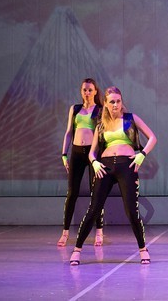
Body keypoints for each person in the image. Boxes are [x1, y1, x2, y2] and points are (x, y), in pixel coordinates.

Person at [69, 86, 157, 265]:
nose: (116, 105)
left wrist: (142, 154)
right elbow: (92, 152)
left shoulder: (131, 118)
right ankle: (77, 250)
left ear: (121, 102)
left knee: (131, 210)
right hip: (105, 167)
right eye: (112, 102)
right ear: (106, 104)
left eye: (118, 101)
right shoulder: (101, 125)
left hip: (127, 165)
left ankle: (143, 249)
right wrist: (94, 162)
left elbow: (153, 138)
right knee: (94, 209)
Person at [58, 78, 105, 247]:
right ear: (81, 91)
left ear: (95, 92)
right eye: (84, 90)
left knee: (96, 192)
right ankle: (65, 232)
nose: (87, 93)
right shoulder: (75, 109)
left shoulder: (99, 110)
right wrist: (64, 154)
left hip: (93, 154)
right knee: (72, 193)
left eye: (90, 90)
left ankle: (99, 231)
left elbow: (102, 134)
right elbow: (69, 132)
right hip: (77, 153)